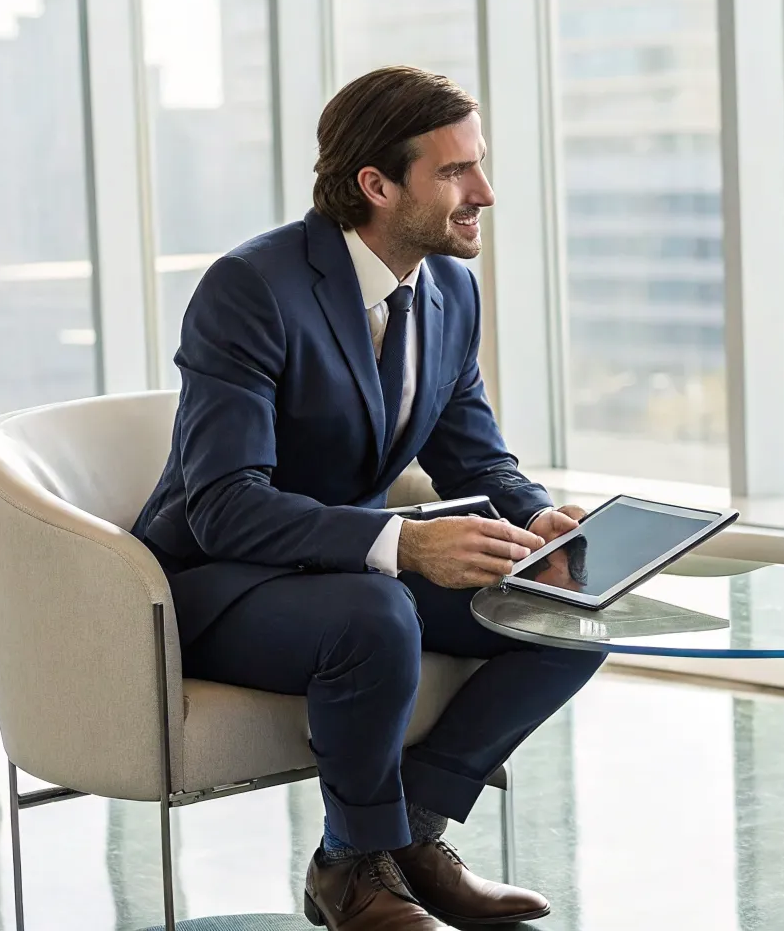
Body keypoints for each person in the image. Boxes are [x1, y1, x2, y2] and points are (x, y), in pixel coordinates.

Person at [132, 66, 603, 931]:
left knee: (567, 610)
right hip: (217, 582)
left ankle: (410, 842)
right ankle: (348, 874)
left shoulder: (449, 289)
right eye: (455, 172)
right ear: (376, 186)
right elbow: (222, 505)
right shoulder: (251, 289)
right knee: (375, 612)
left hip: (346, 574)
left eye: (481, 164)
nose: (484, 193)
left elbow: (474, 453)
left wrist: (534, 516)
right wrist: (405, 544)